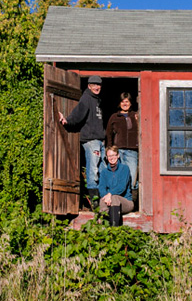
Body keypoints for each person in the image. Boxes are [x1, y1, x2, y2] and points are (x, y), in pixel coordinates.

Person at [58, 75, 105, 204]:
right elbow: (78, 114)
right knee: (93, 170)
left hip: (99, 140)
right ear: (89, 86)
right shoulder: (86, 98)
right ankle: (94, 202)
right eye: (94, 85)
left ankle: (102, 199)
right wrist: (67, 121)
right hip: (91, 140)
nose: (97, 87)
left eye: (99, 85)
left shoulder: (97, 100)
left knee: (103, 170)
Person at [106, 92, 139, 193]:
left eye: (127, 101)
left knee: (133, 176)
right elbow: (109, 133)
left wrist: (138, 121)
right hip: (118, 150)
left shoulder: (135, 115)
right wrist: (110, 148)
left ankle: (132, 199)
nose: (125, 104)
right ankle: (121, 198)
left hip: (132, 151)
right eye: (122, 101)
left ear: (130, 103)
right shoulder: (114, 117)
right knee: (119, 175)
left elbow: (142, 130)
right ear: (119, 103)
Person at [98, 146, 134, 226]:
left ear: (118, 155)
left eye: (114, 155)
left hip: (126, 202)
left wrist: (110, 194)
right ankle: (102, 230)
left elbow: (122, 187)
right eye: (110, 156)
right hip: (109, 201)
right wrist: (106, 196)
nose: (112, 158)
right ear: (107, 157)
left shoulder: (124, 168)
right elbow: (101, 187)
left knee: (114, 198)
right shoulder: (104, 172)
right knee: (102, 200)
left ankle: (115, 230)